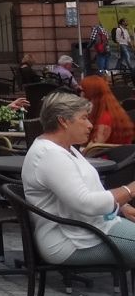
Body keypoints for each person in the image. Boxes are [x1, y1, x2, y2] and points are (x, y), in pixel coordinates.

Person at [22, 91, 135, 265]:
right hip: (69, 241)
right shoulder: (50, 155)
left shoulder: (66, 148)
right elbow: (86, 203)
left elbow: (87, 188)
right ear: (63, 121)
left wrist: (123, 206)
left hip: (90, 229)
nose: (90, 125)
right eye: (84, 118)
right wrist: (130, 190)